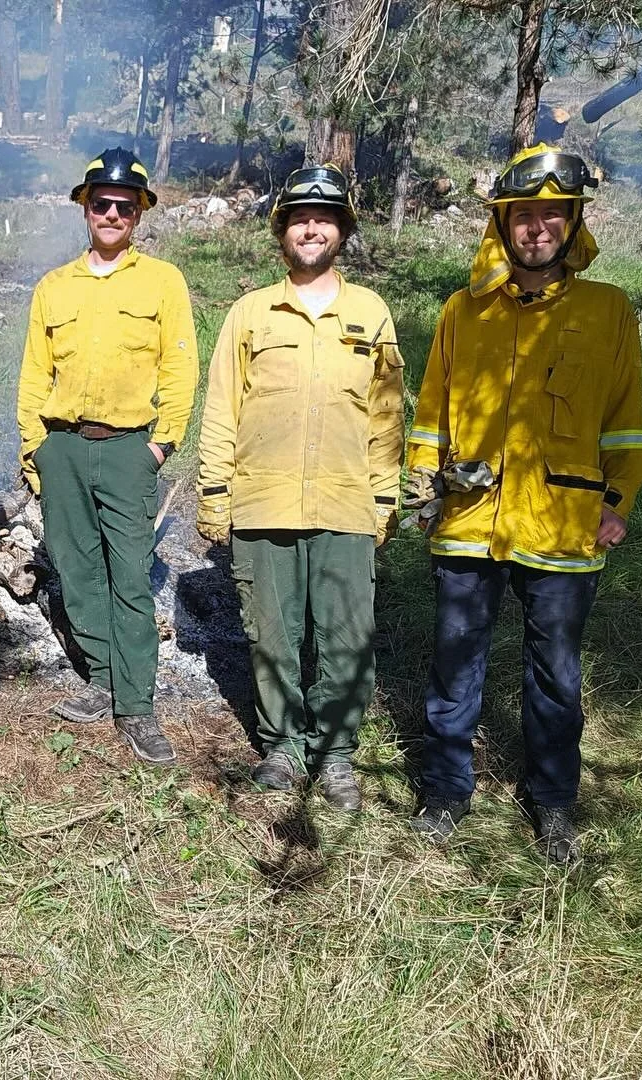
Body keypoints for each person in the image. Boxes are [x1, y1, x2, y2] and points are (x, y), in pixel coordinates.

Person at [404, 144, 642, 863]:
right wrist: (421, 486)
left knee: (555, 676)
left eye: (552, 215)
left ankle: (551, 802)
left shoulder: (608, 311)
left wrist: (618, 499)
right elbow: (430, 411)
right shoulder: (463, 309)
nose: (537, 228)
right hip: (470, 521)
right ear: (501, 224)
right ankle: (446, 790)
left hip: (564, 526)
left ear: (573, 225)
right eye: (523, 216)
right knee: (454, 665)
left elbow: (626, 418)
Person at [195, 164, 405, 809]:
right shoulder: (250, 313)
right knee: (272, 635)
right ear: (282, 231)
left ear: (342, 230)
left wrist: (384, 499)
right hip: (263, 502)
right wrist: (213, 494)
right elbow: (223, 406)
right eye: (299, 219)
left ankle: (336, 754)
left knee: (345, 637)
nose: (311, 228)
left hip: (345, 504)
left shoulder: (370, 312)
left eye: (324, 218)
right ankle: (284, 748)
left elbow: (387, 416)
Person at [17, 148, 199, 766]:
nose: (113, 213)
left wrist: (159, 444)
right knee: (76, 568)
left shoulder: (162, 282)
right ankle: (100, 678)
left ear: (140, 213)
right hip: (63, 446)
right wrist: (34, 448)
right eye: (102, 203)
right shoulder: (54, 287)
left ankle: (138, 706)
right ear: (85, 209)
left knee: (130, 576)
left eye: (125, 205)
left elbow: (180, 369)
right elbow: (33, 375)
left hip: (127, 449)